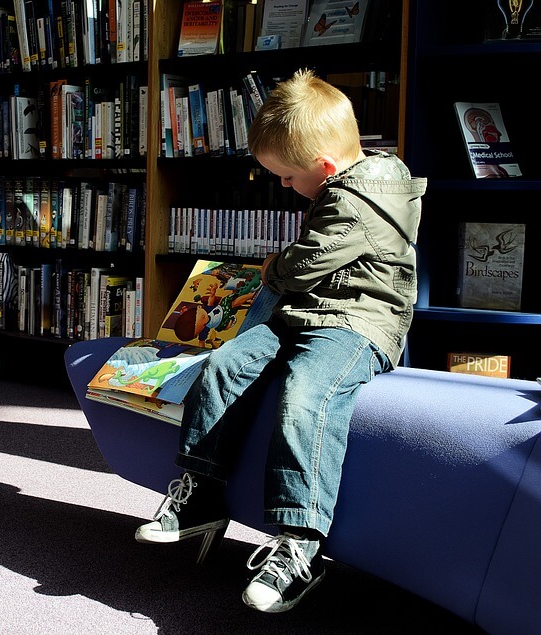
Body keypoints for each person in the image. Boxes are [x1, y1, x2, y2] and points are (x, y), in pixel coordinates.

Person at [134, 68, 427, 613]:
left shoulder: (367, 199)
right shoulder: (341, 183)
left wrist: (270, 267)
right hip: (304, 314)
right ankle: (201, 494)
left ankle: (301, 545)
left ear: (323, 165)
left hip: (359, 325)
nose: (286, 188)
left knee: (306, 394)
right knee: (223, 366)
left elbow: (309, 261)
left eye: (289, 178)